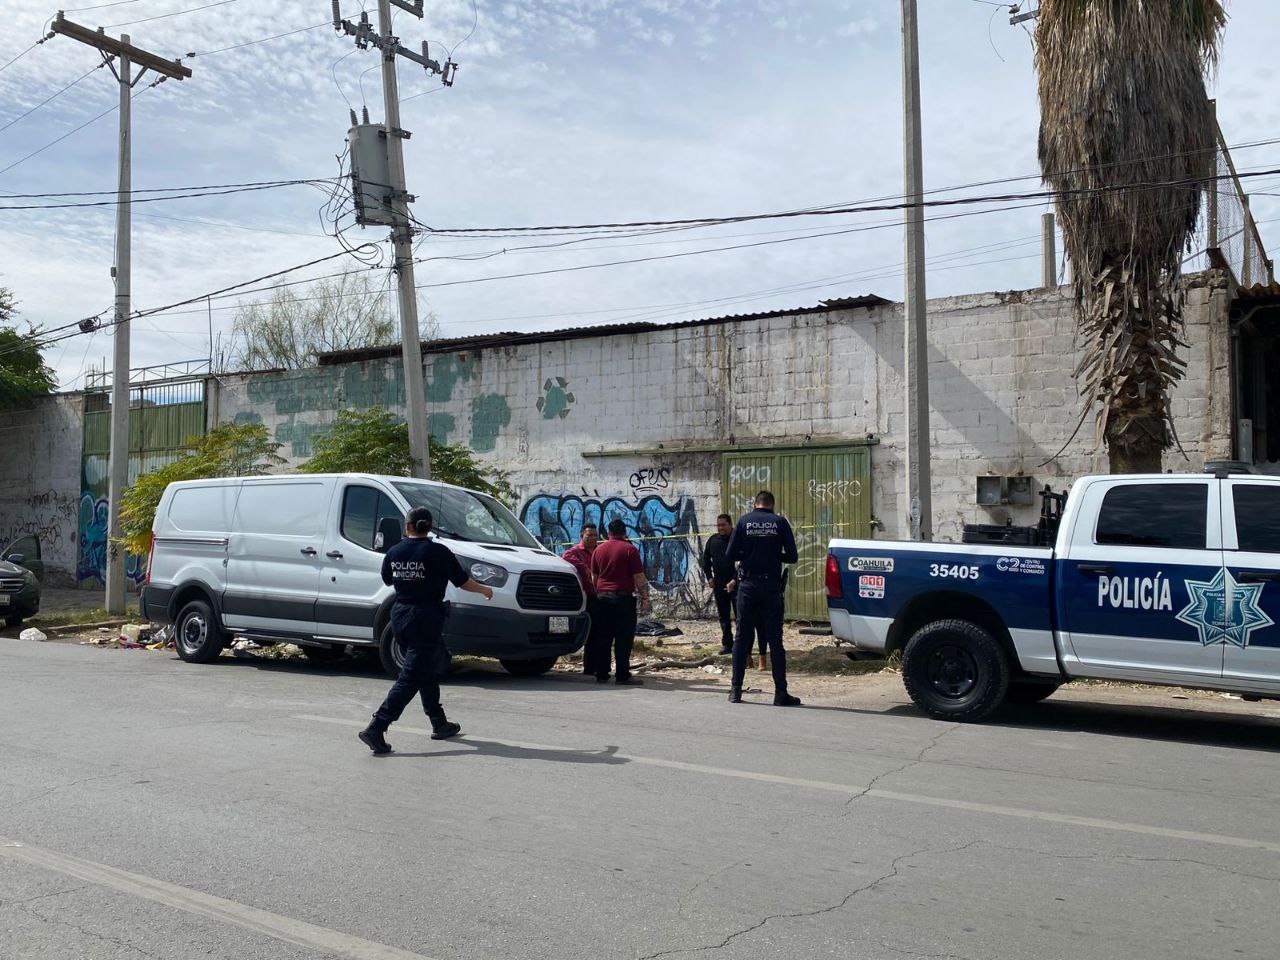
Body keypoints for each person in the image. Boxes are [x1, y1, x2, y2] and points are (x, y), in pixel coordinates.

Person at [359, 507, 494, 755]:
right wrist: (484, 590)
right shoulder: (439, 552)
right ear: (429, 527)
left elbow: (388, 580)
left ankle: (439, 722)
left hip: (400, 616)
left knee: (429, 665)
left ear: (407, 526)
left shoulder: (395, 551)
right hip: (426, 618)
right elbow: (462, 581)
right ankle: (377, 726)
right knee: (412, 675)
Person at [725, 490, 800, 707]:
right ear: (771, 505)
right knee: (775, 640)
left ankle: (735, 690)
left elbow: (730, 555)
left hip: (747, 585)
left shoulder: (744, 521)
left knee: (741, 637)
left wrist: (747, 556)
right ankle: (780, 693)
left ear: (755, 504)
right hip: (771, 586)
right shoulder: (780, 522)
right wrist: (775, 555)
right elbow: (792, 557)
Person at [589, 518, 651, 686]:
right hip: (623, 599)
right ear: (625, 533)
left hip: (602, 599)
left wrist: (600, 593)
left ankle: (601, 673)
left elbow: (594, 577)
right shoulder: (630, 550)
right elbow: (639, 577)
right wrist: (645, 598)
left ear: (609, 533)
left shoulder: (598, 550)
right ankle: (622, 675)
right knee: (623, 638)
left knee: (603, 637)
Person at [562, 523, 602, 676]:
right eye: (589, 535)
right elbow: (566, 557)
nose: (592, 538)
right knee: (590, 633)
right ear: (582, 536)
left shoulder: (599, 550)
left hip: (601, 595)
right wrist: (585, 567)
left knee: (600, 633)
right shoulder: (575, 552)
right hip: (588, 597)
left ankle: (598, 666)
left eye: (594, 535)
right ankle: (589, 667)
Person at [702, 514, 737, 655]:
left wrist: (735, 580)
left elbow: (744, 563)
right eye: (719, 525)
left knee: (740, 616)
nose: (721, 528)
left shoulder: (737, 539)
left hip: (736, 583)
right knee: (723, 615)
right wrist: (709, 577)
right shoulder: (713, 540)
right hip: (719, 583)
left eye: (723, 525)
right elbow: (705, 559)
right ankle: (727, 644)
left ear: (730, 524)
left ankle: (743, 646)